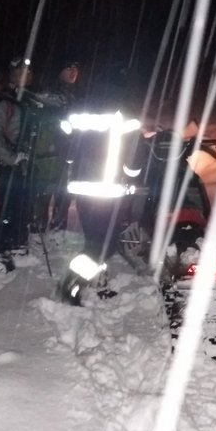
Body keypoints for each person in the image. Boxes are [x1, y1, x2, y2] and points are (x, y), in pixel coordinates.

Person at [55, 111, 144, 305]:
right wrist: (131, 180)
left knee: (94, 242)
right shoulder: (127, 122)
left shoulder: (81, 116)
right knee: (104, 245)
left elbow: (66, 151)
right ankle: (71, 283)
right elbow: (133, 166)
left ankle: (96, 281)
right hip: (106, 195)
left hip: (83, 192)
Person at [0, 57, 40, 276]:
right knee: (6, 208)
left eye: (29, 72)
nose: (26, 76)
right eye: (21, 71)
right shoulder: (5, 103)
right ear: (12, 75)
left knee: (21, 206)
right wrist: (12, 158)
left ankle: (16, 246)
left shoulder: (30, 101)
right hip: (9, 164)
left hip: (24, 163)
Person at [28, 59, 80, 233]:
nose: (73, 72)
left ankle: (59, 226)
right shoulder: (49, 91)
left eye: (75, 69)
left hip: (69, 150)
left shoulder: (77, 94)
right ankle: (37, 226)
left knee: (64, 190)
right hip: (49, 147)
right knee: (44, 188)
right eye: (69, 67)